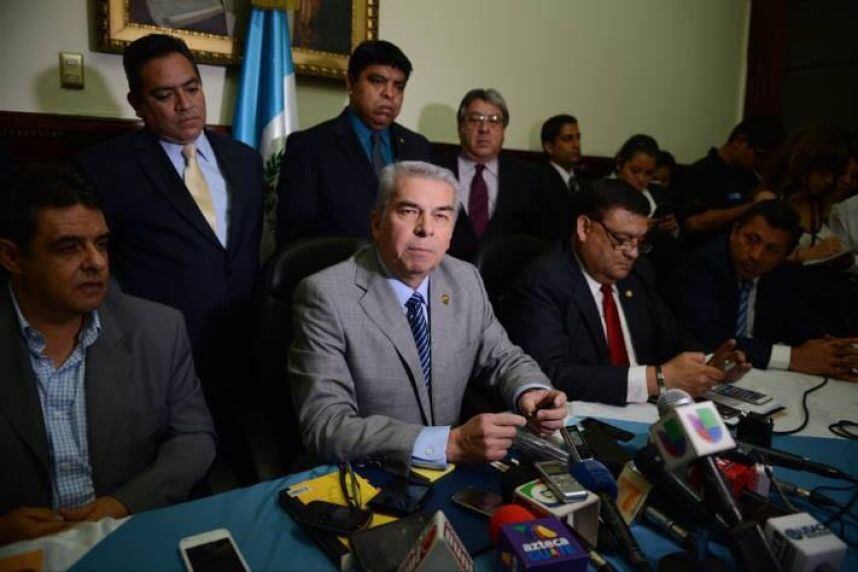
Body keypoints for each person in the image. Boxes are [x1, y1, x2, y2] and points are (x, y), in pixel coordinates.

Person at [289, 161, 567, 474]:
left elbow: (504, 358)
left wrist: (530, 391)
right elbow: (326, 425)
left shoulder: (465, 279)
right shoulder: (325, 295)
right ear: (377, 223)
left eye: (441, 215)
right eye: (409, 211)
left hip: (452, 470)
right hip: (369, 474)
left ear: (451, 232)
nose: (426, 229)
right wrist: (448, 443)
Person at [77, 33, 263, 484]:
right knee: (176, 482)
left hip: (245, 351)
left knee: (244, 479)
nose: (186, 105)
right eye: (165, 95)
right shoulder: (104, 168)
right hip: (163, 360)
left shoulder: (244, 160)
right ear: (137, 103)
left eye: (192, 88)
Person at [0, 167, 215, 545]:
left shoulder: (158, 329)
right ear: (13, 257)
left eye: (101, 243)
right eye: (69, 247)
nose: (96, 262)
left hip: (128, 533)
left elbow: (194, 438)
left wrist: (123, 504)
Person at [504, 180, 742, 406]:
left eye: (639, 241)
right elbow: (552, 374)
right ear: (584, 228)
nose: (633, 253)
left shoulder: (637, 273)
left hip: (645, 408)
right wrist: (654, 379)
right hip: (584, 414)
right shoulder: (542, 281)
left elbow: (671, 336)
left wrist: (707, 364)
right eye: (622, 239)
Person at [675, 200, 858, 379]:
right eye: (751, 240)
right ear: (734, 232)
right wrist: (792, 358)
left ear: (785, 255)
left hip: (761, 377)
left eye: (772, 250)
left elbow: (803, 327)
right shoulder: (701, 265)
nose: (756, 255)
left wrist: (837, 354)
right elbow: (708, 335)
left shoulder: (782, 275)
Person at [276, 40, 432, 245]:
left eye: (399, 86)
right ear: (351, 84)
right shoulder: (309, 147)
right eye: (377, 81)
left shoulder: (418, 147)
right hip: (339, 262)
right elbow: (295, 238)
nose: (389, 94)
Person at [435, 89, 544, 262]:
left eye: (494, 121)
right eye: (475, 120)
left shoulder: (528, 177)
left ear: (503, 130)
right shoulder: (435, 171)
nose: (484, 129)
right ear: (460, 127)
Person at [677, 117, 783, 249]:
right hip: (703, 253)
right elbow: (694, 223)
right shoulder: (699, 172)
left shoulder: (751, 177)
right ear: (741, 141)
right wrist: (753, 206)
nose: (762, 163)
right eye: (761, 156)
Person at [611, 135, 681, 302]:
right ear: (620, 163)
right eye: (635, 171)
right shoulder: (602, 193)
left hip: (659, 273)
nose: (641, 179)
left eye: (648, 173)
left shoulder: (661, 195)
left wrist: (673, 228)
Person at [537, 114, 586, 239]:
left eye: (578, 137)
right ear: (549, 147)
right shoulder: (539, 181)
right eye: (568, 139)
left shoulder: (584, 184)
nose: (576, 144)